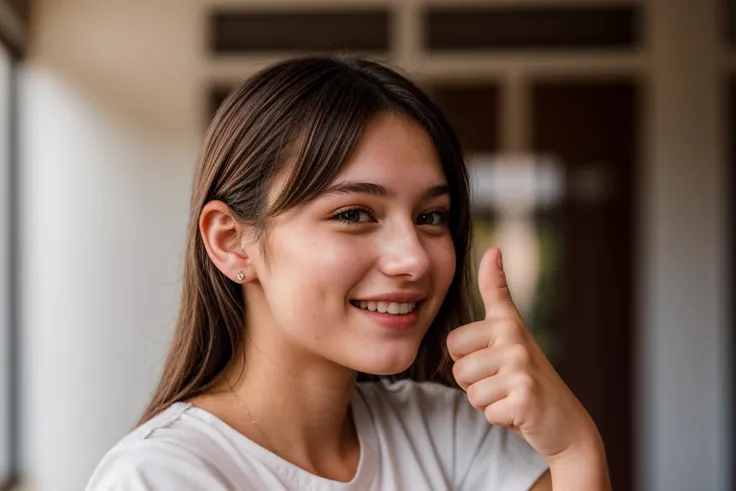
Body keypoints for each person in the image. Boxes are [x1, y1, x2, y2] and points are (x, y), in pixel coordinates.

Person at [86, 57, 609, 490]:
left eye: (431, 217)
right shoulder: (163, 477)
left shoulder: (450, 434)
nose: (414, 259)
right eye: (354, 214)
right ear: (231, 242)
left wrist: (573, 446)